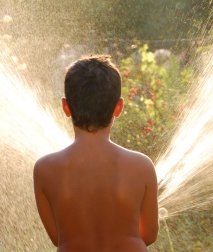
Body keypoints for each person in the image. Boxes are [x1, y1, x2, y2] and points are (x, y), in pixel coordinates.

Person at [33, 55, 159, 252]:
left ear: (66, 107)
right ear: (118, 107)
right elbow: (149, 235)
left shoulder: (45, 169)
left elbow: (57, 238)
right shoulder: (142, 166)